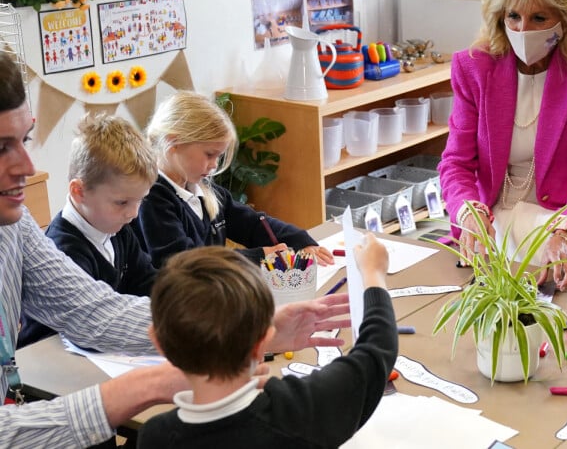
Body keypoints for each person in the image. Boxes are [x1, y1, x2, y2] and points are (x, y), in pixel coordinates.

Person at [0, 53, 350, 446]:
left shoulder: (13, 226)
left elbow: (94, 310)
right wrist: (149, 383)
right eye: (1, 147)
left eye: (25, 139)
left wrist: (243, 330)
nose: (28, 167)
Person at [137, 233, 397, 448]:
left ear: (157, 341)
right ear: (265, 339)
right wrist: (373, 275)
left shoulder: (154, 437)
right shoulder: (299, 412)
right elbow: (376, 351)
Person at [439, 0, 567, 292]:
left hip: (559, 220)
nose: (522, 28)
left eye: (539, 19)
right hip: (494, 221)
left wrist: (565, 230)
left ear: (565, 19)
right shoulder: (474, 67)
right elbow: (456, 163)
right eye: (513, 16)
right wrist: (467, 212)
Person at [131, 91, 334, 269]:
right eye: (209, 154)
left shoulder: (204, 189)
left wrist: (301, 242)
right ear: (173, 142)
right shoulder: (152, 197)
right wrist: (260, 257)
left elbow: (253, 224)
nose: (214, 165)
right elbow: (183, 261)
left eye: (219, 156)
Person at [18, 113, 159, 348]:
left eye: (140, 201)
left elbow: (148, 281)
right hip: (53, 358)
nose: (134, 213)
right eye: (122, 202)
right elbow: (83, 325)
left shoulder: (118, 229)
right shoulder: (63, 247)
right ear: (79, 192)